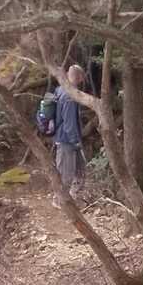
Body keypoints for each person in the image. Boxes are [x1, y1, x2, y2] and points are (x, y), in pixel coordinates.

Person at [51, 65, 88, 201]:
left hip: (66, 138)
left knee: (80, 170)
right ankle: (59, 201)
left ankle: (73, 197)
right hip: (66, 140)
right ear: (78, 77)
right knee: (65, 173)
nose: (82, 81)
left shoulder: (59, 89)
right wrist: (75, 141)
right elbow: (69, 122)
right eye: (81, 78)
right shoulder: (69, 96)